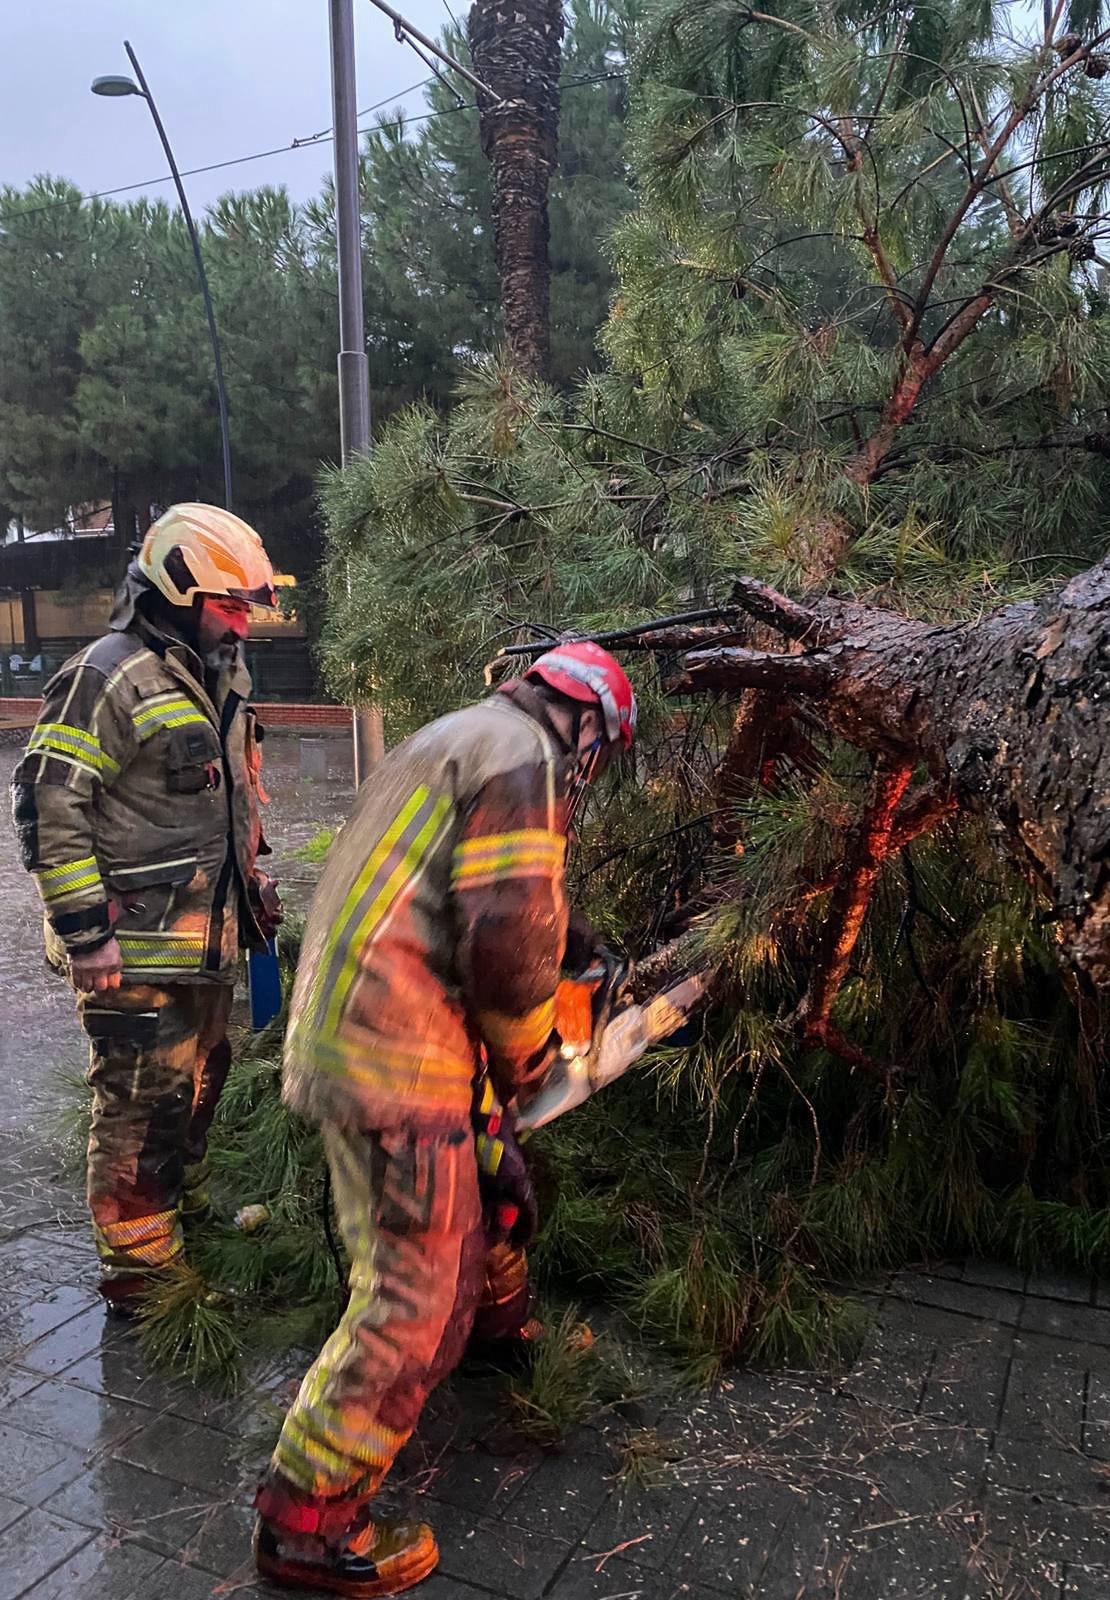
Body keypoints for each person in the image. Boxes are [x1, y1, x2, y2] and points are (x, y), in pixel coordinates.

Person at [252, 642, 637, 1597]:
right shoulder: (528, 761)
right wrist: (535, 1059)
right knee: (411, 1304)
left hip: (366, 1032)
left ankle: (500, 1337)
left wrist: (575, 944)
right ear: (587, 726)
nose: (592, 776)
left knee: (491, 1188)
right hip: (400, 1058)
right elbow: (507, 941)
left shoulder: (458, 737)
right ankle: (308, 1522)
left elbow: (468, 896)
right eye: (603, 755)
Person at [11, 503, 283, 1311]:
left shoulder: (220, 670)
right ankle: (141, 1277)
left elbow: (234, 792)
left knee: (199, 1084)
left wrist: (253, 884)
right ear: (176, 588)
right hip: (129, 949)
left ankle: (178, 1218)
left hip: (205, 939)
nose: (241, 625)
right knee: (138, 1103)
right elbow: (48, 808)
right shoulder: (108, 675)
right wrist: (87, 937)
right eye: (229, 606)